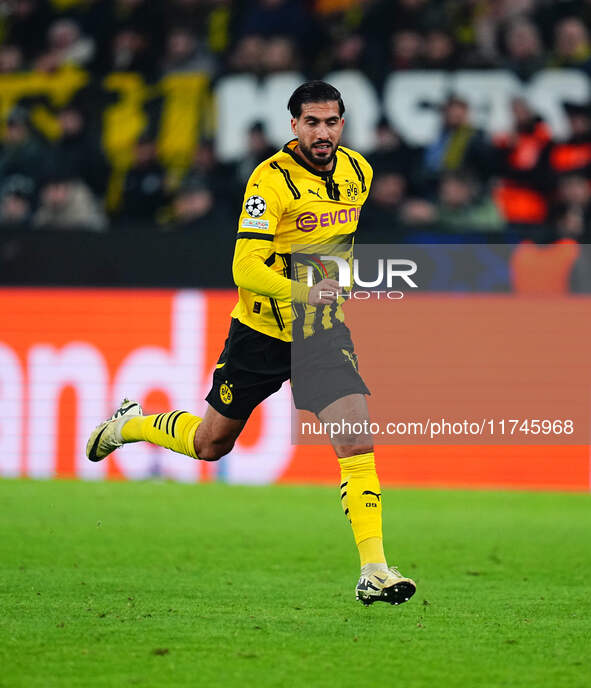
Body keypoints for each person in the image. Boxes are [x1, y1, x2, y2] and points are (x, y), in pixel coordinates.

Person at [86, 81, 416, 607]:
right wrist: (305, 289)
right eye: (312, 122)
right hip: (259, 334)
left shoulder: (359, 172)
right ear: (294, 126)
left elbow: (338, 244)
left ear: (343, 124)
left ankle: (373, 568)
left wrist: (342, 278)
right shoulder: (271, 181)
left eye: (332, 122)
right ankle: (129, 423)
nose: (323, 132)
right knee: (211, 445)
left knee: (356, 441)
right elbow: (244, 267)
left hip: (320, 332)